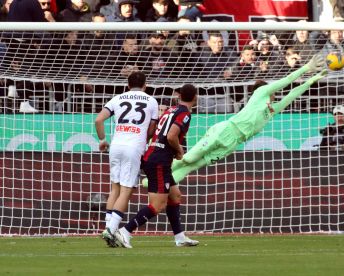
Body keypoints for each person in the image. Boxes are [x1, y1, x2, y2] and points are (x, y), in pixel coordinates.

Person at [138, 54, 326, 187]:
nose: (276, 94)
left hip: (234, 142)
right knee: (189, 158)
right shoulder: (260, 93)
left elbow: (291, 94)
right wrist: (307, 68)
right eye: (274, 91)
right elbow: (287, 80)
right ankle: (155, 174)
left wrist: (311, 81)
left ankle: (151, 183)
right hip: (226, 130)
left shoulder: (271, 110)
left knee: (194, 166)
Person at [113, 84, 198, 249]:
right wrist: (179, 151)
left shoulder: (170, 110)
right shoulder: (185, 114)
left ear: (179, 96)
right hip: (159, 160)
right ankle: (125, 231)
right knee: (158, 205)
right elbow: (172, 135)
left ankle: (180, 237)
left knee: (175, 196)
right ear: (195, 98)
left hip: (154, 156)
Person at [95, 71, 159, 247]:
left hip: (116, 146)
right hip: (134, 147)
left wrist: (102, 140)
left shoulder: (118, 98)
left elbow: (98, 120)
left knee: (114, 188)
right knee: (126, 191)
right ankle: (111, 230)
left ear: (128, 85)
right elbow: (152, 130)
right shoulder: (151, 101)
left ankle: (108, 228)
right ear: (145, 85)